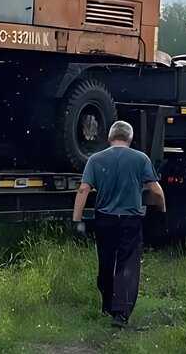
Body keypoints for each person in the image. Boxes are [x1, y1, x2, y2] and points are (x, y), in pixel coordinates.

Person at [72, 120, 166, 328]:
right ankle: (120, 313)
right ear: (130, 139)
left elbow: (83, 190)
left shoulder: (95, 159)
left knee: (106, 261)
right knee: (127, 264)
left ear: (109, 137)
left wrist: (76, 221)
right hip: (130, 219)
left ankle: (107, 304)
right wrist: (162, 210)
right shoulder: (140, 158)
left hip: (104, 219)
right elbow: (155, 190)